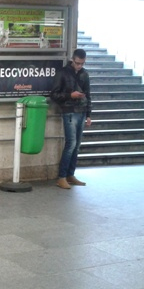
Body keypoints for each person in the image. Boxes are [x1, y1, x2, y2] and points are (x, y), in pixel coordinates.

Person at [50, 48, 92, 189]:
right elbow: (54, 94)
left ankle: (70, 174)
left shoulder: (85, 74)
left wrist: (89, 115)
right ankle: (62, 177)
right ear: (72, 60)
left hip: (81, 111)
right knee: (71, 144)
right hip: (69, 111)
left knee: (76, 145)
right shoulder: (62, 72)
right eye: (77, 63)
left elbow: (89, 95)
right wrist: (70, 96)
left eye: (82, 63)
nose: (79, 66)